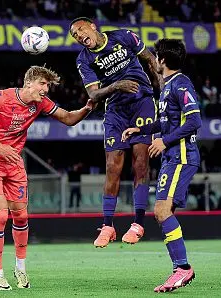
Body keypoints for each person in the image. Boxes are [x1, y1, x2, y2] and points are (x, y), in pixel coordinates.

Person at [0, 65, 96, 291]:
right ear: (29, 83)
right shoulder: (0, 98)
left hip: (13, 162)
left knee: (22, 215)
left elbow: (67, 118)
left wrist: (86, 109)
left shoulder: (40, 104)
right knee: (0, 216)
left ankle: (20, 268)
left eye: (48, 85)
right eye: (43, 84)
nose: (46, 89)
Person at [70, 17, 163, 247]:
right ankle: (108, 225)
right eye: (74, 35)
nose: (79, 36)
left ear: (92, 26)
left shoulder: (123, 36)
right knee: (113, 167)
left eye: (80, 30)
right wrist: (116, 86)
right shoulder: (84, 59)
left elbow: (150, 60)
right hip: (115, 110)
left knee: (140, 163)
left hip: (141, 101)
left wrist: (163, 92)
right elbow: (93, 95)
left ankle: (138, 223)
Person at [121, 39, 201, 292]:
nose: (153, 59)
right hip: (172, 157)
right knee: (163, 211)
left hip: (181, 156)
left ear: (163, 60)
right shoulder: (167, 87)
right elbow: (167, 123)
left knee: (162, 210)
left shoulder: (181, 84)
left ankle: (182, 269)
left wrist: (164, 142)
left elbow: (194, 121)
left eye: (156, 55)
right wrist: (142, 129)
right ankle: (181, 268)